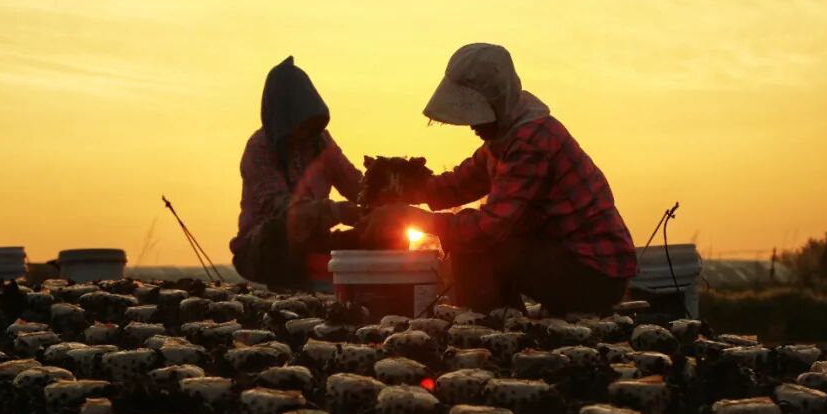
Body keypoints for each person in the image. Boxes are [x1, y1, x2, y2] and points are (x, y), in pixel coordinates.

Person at [359, 43, 637, 315]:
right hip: (570, 260)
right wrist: (401, 190)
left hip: (594, 273)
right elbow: (459, 184)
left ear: (495, 102)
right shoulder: (503, 141)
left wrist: (410, 217)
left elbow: (486, 230)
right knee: (470, 237)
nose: (473, 125)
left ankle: (493, 331)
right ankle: (504, 323)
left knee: (473, 244)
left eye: (477, 116)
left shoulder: (530, 143)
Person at [230, 56, 361, 289]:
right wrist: (336, 211)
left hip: (315, 241)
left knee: (383, 234)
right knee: (279, 232)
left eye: (310, 123)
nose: (305, 132)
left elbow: (354, 183)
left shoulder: (321, 142)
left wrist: (386, 192)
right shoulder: (259, 148)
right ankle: (287, 298)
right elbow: (280, 207)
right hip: (262, 248)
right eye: (300, 122)